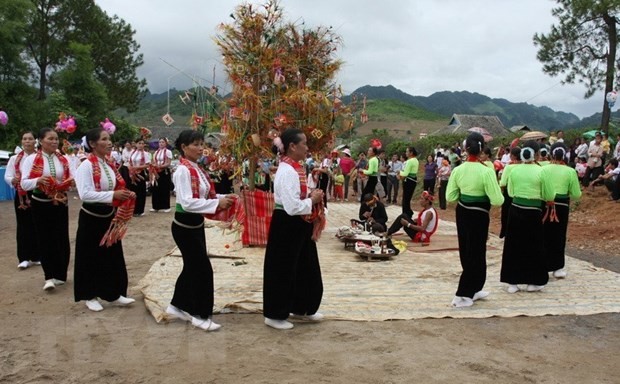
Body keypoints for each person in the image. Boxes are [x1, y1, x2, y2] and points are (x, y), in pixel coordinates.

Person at [165, 130, 235, 331]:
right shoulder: (183, 171)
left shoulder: (197, 169)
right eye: (195, 144)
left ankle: (177, 305)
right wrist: (216, 203)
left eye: (201, 143)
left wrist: (223, 198)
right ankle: (199, 314)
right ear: (184, 147)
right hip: (184, 226)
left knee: (191, 267)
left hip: (195, 225)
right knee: (202, 270)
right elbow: (187, 202)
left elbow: (205, 195)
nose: (200, 147)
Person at [263, 128, 325, 330]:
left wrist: (311, 197)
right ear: (292, 146)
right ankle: (274, 314)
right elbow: (291, 206)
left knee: (305, 267)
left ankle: (303, 307)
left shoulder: (295, 168)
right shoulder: (286, 170)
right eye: (305, 143)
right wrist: (312, 199)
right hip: (288, 222)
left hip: (299, 222)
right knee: (282, 268)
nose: (307, 148)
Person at [74, 128, 137, 311]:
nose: (109, 143)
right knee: (89, 256)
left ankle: (114, 293)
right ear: (93, 144)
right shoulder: (86, 165)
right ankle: (89, 295)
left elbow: (114, 188)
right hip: (91, 217)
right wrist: (113, 194)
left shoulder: (108, 164)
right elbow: (85, 194)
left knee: (112, 255)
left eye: (109, 139)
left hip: (108, 215)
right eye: (104, 139)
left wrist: (124, 194)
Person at [446, 133, 504, 307]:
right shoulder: (486, 172)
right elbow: (497, 200)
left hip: (463, 213)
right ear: (481, 151)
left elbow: (450, 196)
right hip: (479, 214)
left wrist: (465, 194)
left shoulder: (457, 170)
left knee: (467, 250)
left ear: (465, 149)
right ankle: (463, 293)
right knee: (477, 252)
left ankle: (475, 288)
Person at [20, 128, 73, 291]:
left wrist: (68, 183)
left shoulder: (63, 159)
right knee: (45, 238)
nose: (54, 142)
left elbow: (72, 177)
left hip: (60, 202)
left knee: (61, 238)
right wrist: (38, 180)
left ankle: (60, 274)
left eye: (56, 139)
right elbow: (24, 184)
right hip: (40, 203)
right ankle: (48, 276)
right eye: (50, 139)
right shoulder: (31, 160)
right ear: (41, 141)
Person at [500, 140, 554, 294]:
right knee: (534, 246)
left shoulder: (514, 170)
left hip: (516, 209)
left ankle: (512, 282)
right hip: (534, 211)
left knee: (513, 245)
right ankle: (533, 281)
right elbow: (549, 195)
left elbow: (510, 192)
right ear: (536, 154)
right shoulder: (542, 171)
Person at [541, 142, 582, 279]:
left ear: (551, 154)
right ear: (564, 155)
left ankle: (543, 264)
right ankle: (557, 267)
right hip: (562, 205)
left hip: (545, 204)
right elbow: (576, 194)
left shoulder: (544, 169)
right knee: (559, 235)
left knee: (544, 234)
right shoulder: (570, 171)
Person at [4, 131, 40, 270]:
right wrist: (12, 180)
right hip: (21, 194)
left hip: (36, 192)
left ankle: (37, 256)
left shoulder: (39, 157)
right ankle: (24, 257)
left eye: (30, 139)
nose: (27, 141)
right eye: (24, 139)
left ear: (35, 141)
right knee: (23, 225)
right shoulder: (15, 159)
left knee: (37, 224)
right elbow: (8, 175)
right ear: (21, 141)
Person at [498, 147, 521, 239]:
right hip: (519, 193)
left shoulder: (509, 167)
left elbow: (503, 183)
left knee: (506, 213)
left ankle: (504, 232)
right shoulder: (523, 166)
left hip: (508, 192)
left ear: (513, 156)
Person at [127, 138, 151, 217]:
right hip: (132, 173)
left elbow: (147, 164)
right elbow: (129, 162)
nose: (141, 145)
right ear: (136, 144)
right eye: (139, 143)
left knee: (140, 192)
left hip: (140, 173)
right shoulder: (132, 153)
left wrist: (137, 167)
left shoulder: (145, 154)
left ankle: (140, 210)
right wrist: (131, 169)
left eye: (142, 143)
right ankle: (132, 209)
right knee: (133, 190)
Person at [150, 137, 173, 212]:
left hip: (164, 171)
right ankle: (156, 206)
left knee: (165, 188)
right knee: (156, 188)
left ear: (166, 143)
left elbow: (168, 163)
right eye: (160, 142)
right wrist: (154, 166)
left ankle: (166, 206)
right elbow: (153, 161)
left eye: (163, 142)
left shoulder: (168, 152)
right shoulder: (156, 152)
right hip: (157, 171)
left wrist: (160, 166)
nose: (161, 144)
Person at [399, 146, 419, 218]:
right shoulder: (416, 160)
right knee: (407, 199)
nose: (406, 153)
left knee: (405, 199)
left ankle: (406, 214)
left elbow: (405, 173)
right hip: (413, 180)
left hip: (408, 181)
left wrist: (399, 172)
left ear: (411, 153)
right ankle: (408, 212)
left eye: (407, 151)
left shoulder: (409, 161)